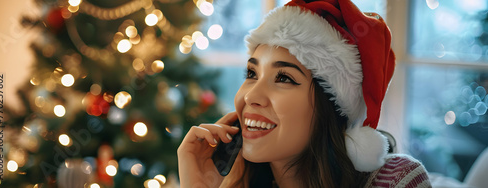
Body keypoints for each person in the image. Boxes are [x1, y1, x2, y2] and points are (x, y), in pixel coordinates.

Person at [178, 0, 432, 187]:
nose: (250, 97)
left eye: (284, 78)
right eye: (251, 74)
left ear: (331, 106)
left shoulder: (397, 180)